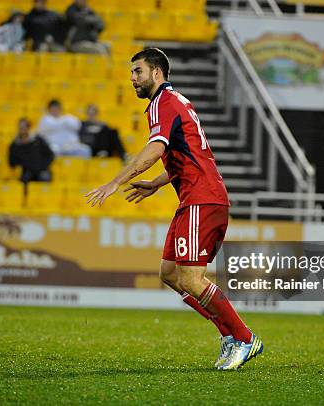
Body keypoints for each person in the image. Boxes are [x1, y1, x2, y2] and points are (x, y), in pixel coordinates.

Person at [85, 48, 263, 371]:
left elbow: (156, 149)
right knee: (169, 273)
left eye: (137, 71)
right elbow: (187, 153)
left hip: (202, 198)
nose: (132, 78)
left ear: (156, 73)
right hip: (197, 197)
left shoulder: (162, 103)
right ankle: (230, 336)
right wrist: (156, 183)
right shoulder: (176, 102)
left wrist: (115, 182)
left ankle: (244, 337)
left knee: (193, 279)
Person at [9, 118, 54, 183]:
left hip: (42, 169)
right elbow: (12, 162)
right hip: (26, 171)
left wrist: (43, 166)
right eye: (21, 127)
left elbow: (50, 155)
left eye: (25, 127)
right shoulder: (14, 145)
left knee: (45, 178)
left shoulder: (38, 140)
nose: (23, 129)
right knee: (24, 179)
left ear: (29, 128)